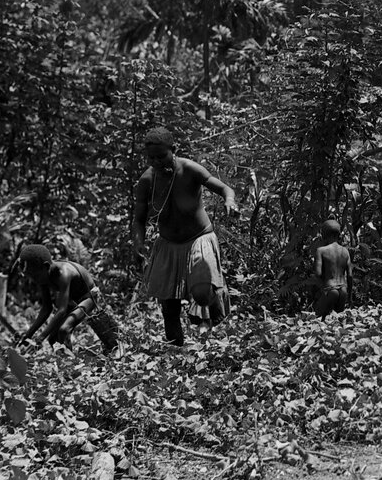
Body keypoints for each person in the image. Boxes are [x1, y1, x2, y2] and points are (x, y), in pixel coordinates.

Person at [132, 126, 239, 346]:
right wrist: (138, 243)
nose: (157, 162)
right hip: (168, 244)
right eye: (151, 158)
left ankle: (207, 317)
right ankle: (175, 349)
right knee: (168, 306)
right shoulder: (146, 182)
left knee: (201, 292)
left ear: (174, 149)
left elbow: (224, 188)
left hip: (199, 238)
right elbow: (138, 219)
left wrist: (230, 201)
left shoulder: (189, 169)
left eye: (162, 156)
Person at [16, 244, 118, 352]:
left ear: (46, 267)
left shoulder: (63, 274)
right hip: (71, 301)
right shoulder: (43, 276)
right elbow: (47, 308)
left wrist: (40, 338)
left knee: (64, 330)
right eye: (31, 277)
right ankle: (66, 362)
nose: (34, 280)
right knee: (53, 340)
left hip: (88, 298)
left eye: (35, 276)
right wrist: (28, 336)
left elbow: (61, 310)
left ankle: (71, 363)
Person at [313, 220, 354, 319]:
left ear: (324, 234)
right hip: (343, 291)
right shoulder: (345, 251)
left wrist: (319, 292)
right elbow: (350, 275)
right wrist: (350, 296)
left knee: (320, 318)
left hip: (330, 290)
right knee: (337, 322)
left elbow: (318, 274)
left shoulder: (321, 251)